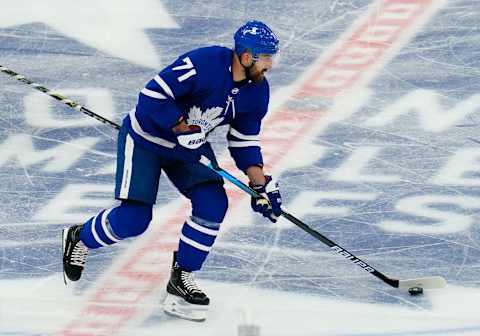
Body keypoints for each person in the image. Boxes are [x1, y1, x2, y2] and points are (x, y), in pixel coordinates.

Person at [62, 20, 283, 322]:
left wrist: (260, 185)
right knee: (134, 220)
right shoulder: (203, 63)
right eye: (266, 57)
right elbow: (150, 97)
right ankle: (80, 237)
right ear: (246, 56)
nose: (271, 64)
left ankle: (182, 278)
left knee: (213, 202)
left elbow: (244, 139)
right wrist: (180, 127)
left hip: (187, 148)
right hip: (146, 140)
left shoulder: (256, 92)